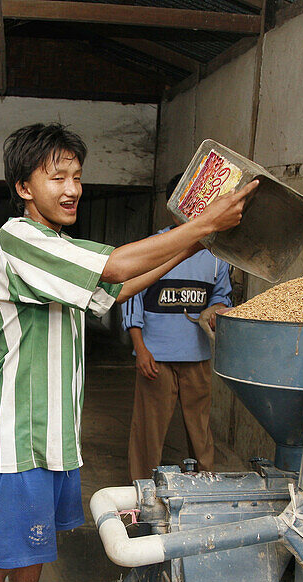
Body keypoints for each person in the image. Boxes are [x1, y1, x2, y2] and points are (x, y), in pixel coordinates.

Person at [0, 123, 257, 582]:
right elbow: (117, 266)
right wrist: (200, 225)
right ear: (23, 186)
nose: (71, 189)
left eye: (75, 176)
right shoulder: (19, 240)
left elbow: (114, 291)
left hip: (57, 430)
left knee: (39, 539)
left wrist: (192, 247)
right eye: (55, 177)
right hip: (22, 433)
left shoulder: (57, 248)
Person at [122, 173, 233, 480]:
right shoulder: (153, 246)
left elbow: (222, 296)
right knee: (149, 430)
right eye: (186, 202)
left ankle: (205, 484)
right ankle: (142, 489)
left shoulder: (216, 255)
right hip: (155, 357)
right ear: (173, 206)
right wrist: (140, 348)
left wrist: (218, 311)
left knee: (200, 429)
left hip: (197, 355)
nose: (193, 210)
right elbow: (132, 299)